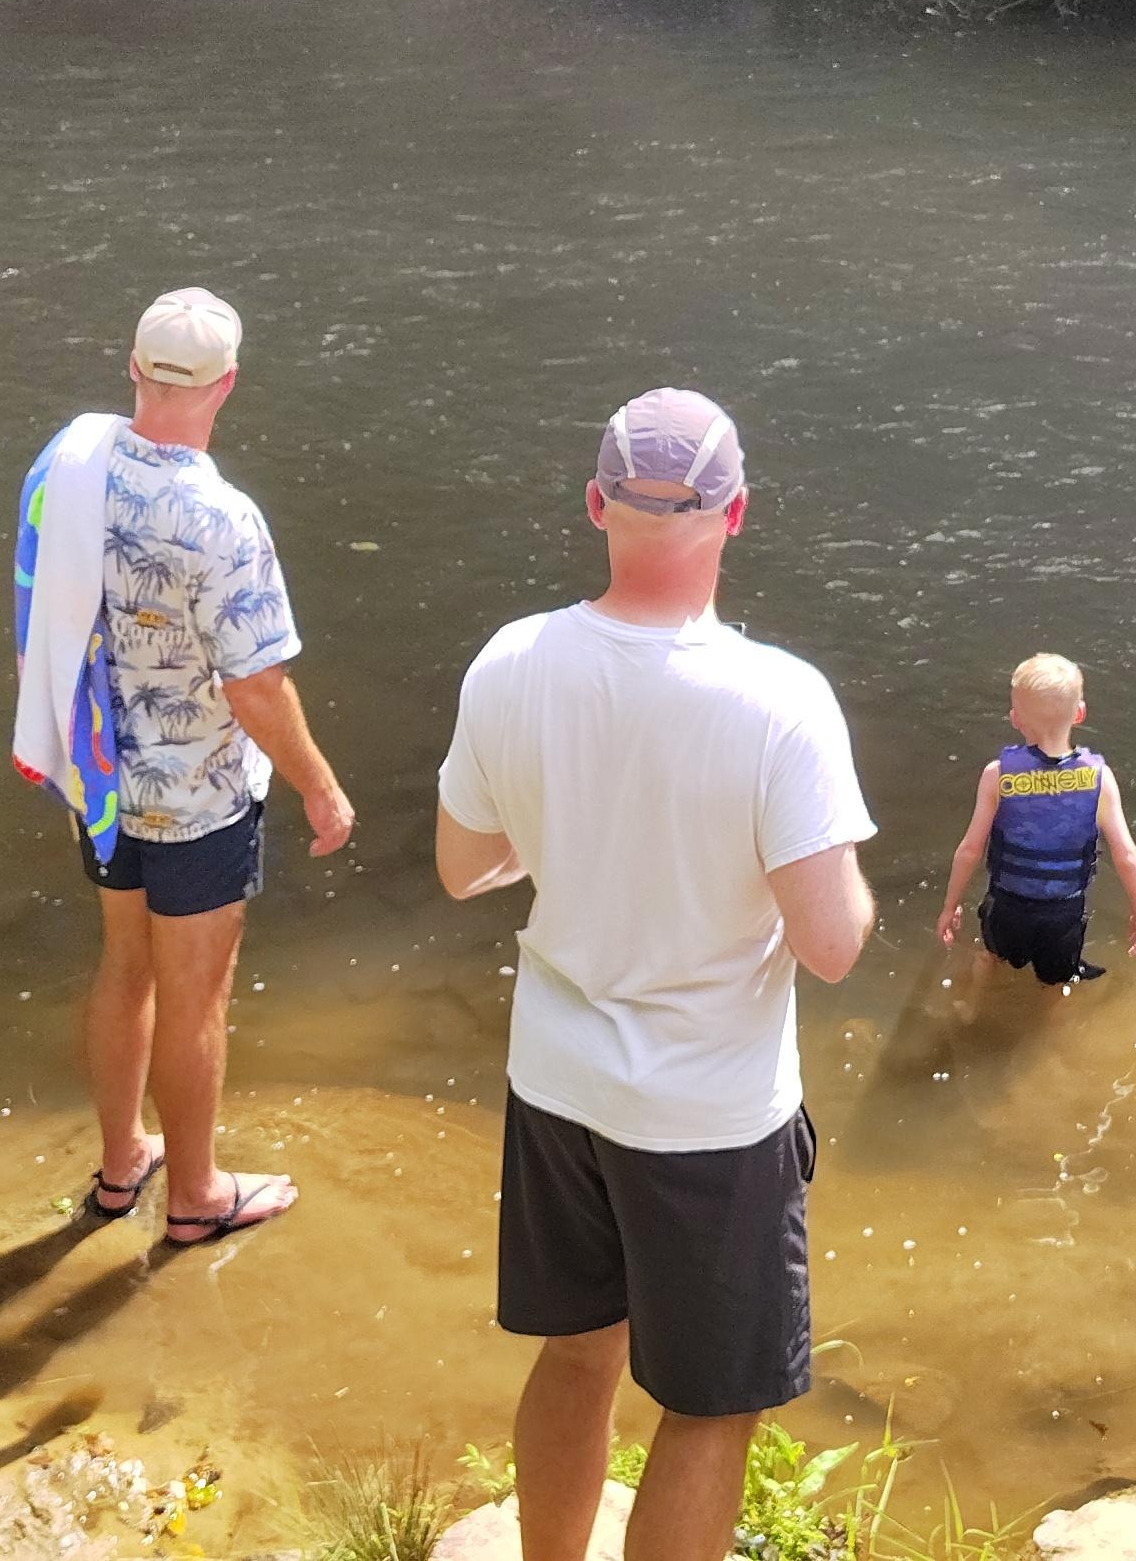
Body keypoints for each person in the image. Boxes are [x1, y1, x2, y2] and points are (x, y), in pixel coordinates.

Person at [433, 388, 877, 1561]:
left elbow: (463, 862)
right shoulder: (780, 701)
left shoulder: (511, 659)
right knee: (710, 1401)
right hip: (709, 1115)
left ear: (595, 504)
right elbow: (832, 943)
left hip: (558, 1083)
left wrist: (572, 826)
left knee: (577, 1349)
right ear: (737, 511)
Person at [9, 288, 360, 1249]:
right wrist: (322, 787)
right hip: (198, 797)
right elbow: (255, 687)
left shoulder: (68, 464)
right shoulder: (222, 519)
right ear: (228, 385)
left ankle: (124, 1164)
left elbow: (37, 603)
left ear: (133, 367)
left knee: (125, 968)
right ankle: (198, 1195)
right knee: (196, 993)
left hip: (101, 781)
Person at [933, 653, 1136, 986]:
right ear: (1080, 713)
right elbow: (1126, 856)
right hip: (1062, 914)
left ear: (1015, 718)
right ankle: (1052, 1030)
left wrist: (950, 906)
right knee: (1057, 982)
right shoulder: (1099, 779)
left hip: (1006, 907)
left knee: (991, 957)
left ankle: (975, 1006)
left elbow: (970, 850)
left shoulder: (998, 776)